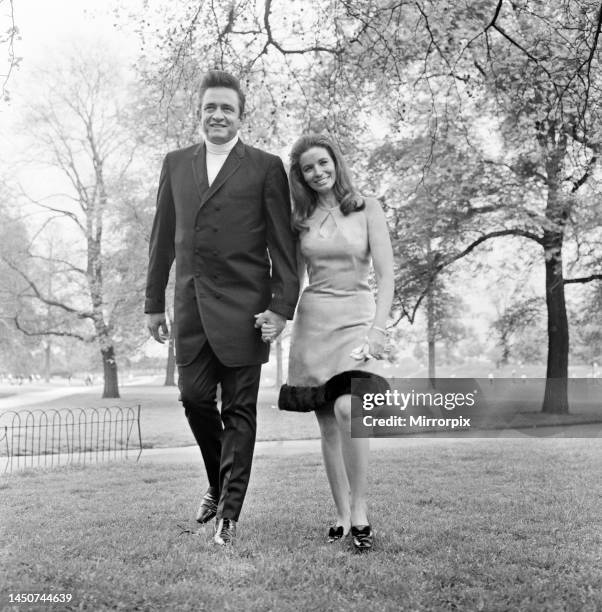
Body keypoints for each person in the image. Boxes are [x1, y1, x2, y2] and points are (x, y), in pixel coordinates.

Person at [145, 70, 299, 546]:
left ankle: (228, 513)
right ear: (200, 112)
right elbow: (162, 239)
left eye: (227, 108)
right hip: (190, 309)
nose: (218, 115)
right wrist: (154, 304)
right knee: (193, 399)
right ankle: (219, 480)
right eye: (210, 107)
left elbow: (283, 246)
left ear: (240, 116)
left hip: (247, 312)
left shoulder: (265, 167)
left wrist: (280, 308)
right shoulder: (175, 164)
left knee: (239, 412)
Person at [266, 133, 394, 552]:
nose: (318, 172)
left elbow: (387, 276)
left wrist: (378, 330)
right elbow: (294, 277)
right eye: (308, 168)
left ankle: (360, 510)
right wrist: (279, 316)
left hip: (358, 320)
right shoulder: (299, 217)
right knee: (326, 424)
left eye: (323, 163)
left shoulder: (366, 207)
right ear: (300, 176)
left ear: (336, 163)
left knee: (349, 408)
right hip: (315, 323)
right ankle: (341, 514)